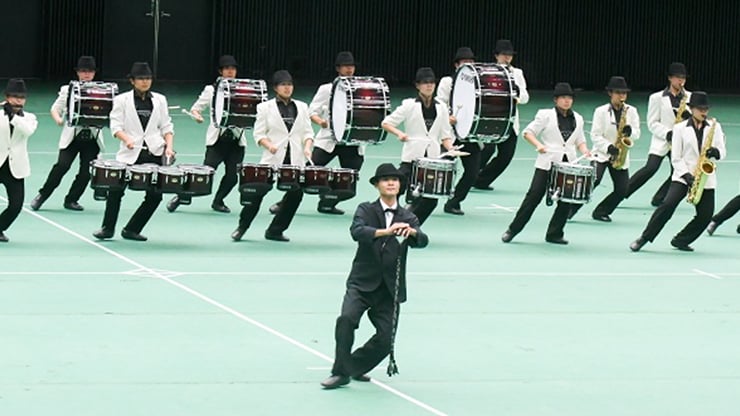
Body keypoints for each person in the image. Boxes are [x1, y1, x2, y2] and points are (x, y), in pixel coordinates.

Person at [320, 163, 429, 389]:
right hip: (361, 282)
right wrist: (386, 232)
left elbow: (423, 241)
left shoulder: (408, 216)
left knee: (386, 338)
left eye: (395, 180)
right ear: (377, 185)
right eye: (386, 179)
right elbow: (357, 232)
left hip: (390, 287)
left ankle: (354, 367)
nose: (391, 183)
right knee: (346, 320)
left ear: (400, 186)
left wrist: (413, 233)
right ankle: (340, 373)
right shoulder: (365, 209)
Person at [630, 92, 726, 252]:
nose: (704, 112)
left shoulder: (715, 128)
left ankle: (681, 240)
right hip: (683, 176)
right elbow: (676, 157)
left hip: (704, 178)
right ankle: (644, 238)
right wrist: (686, 175)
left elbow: (723, 151)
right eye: (700, 109)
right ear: (692, 109)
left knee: (706, 215)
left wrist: (716, 152)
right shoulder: (679, 129)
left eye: (706, 109)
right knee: (667, 206)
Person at [92, 62, 175, 241]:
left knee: (155, 196)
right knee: (115, 190)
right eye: (141, 79)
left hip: (154, 151)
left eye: (148, 78)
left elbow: (166, 126)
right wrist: (126, 139)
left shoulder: (160, 100)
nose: (145, 82)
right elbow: (115, 126)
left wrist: (168, 147)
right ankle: (107, 228)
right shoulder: (121, 100)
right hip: (130, 153)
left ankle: (132, 229)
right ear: (132, 81)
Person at [501, 82, 590, 245]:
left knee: (566, 200)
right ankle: (513, 230)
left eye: (569, 98)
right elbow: (528, 133)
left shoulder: (578, 118)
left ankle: (555, 233)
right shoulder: (545, 115)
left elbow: (580, 140)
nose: (567, 101)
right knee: (533, 196)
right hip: (547, 162)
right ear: (556, 100)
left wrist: (585, 151)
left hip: (568, 164)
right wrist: (539, 145)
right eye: (563, 98)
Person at [230, 70, 313, 242]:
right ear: (275, 88)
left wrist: (308, 147)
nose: (287, 88)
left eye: (289, 84)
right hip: (272, 159)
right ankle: (242, 227)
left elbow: (308, 132)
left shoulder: (303, 107)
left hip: (295, 160)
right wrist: (270, 146)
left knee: (295, 195)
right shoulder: (264, 107)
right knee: (256, 194)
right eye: (283, 85)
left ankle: (275, 230)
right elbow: (259, 135)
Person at [167, 55, 245, 214]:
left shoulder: (243, 89)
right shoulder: (211, 90)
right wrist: (197, 116)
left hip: (237, 140)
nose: (230, 72)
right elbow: (196, 108)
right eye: (227, 69)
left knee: (232, 177)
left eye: (233, 69)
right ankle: (181, 196)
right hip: (217, 140)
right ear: (221, 71)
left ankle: (218, 201)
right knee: (204, 175)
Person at [31, 56, 106, 211]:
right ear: (78, 72)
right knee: (61, 166)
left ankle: (72, 199)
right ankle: (42, 196)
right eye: (83, 71)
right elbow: (55, 108)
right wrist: (58, 119)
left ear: (94, 73)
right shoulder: (68, 89)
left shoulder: (102, 91)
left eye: (90, 71)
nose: (86, 74)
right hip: (72, 137)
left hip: (92, 137)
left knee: (86, 173)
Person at [381, 67, 455, 225]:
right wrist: (399, 134)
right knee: (397, 187)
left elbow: (445, 135)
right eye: (425, 83)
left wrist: (451, 148)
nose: (429, 86)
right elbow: (386, 123)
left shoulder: (441, 107)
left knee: (431, 200)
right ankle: (384, 218)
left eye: (432, 83)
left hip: (432, 160)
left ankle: (412, 225)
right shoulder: (409, 105)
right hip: (412, 157)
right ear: (417, 85)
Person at [301, 51, 364, 215]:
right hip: (329, 138)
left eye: (351, 66)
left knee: (350, 181)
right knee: (309, 170)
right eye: (345, 66)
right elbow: (311, 111)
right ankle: (285, 202)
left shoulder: (361, 88)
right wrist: (321, 122)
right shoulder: (326, 89)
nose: (349, 69)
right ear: (338, 69)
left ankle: (328, 202)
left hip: (351, 141)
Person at [570, 76, 640, 221]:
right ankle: (569, 210)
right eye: (618, 93)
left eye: (624, 93)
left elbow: (637, 133)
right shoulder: (600, 111)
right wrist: (609, 147)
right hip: (601, 154)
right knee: (593, 181)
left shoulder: (631, 111)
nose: (622, 96)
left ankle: (601, 211)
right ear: (610, 93)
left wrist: (630, 132)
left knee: (623, 189)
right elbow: (595, 135)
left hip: (620, 155)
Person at [626, 62, 691, 207]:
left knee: (679, 172)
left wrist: (689, 117)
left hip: (680, 143)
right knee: (650, 168)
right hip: (663, 140)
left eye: (683, 78)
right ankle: (623, 192)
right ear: (670, 78)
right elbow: (652, 122)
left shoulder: (690, 98)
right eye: (677, 77)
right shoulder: (656, 98)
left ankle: (660, 198)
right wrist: (667, 133)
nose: (681, 81)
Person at [474, 39, 529, 191]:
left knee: (506, 156)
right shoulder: (488, 71)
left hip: (510, 120)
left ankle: (482, 180)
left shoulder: (517, 73)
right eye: (504, 54)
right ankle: (470, 176)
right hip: (490, 117)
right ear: (496, 55)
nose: (507, 58)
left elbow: (525, 97)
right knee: (487, 150)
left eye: (510, 55)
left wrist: (517, 95)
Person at [436, 46, 479, 215]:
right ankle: (418, 198)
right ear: (456, 65)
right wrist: (449, 115)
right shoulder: (447, 82)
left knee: (473, 172)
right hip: (449, 133)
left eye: (471, 62)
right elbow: (439, 103)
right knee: (438, 169)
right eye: (464, 62)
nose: (468, 64)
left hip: (469, 134)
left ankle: (454, 201)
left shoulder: (478, 84)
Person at [0, 79, 38, 243]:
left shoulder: (29, 118)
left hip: (15, 166)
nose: (18, 100)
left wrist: (12, 116)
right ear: (7, 97)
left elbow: (27, 131)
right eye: (15, 97)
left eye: (21, 97)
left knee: (16, 205)